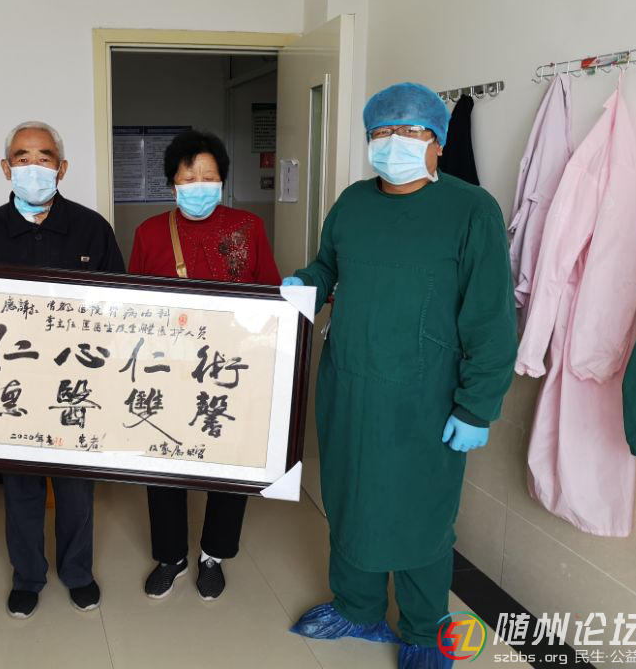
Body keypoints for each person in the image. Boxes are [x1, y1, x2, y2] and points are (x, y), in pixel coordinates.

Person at [283, 84, 517, 669]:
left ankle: (423, 631)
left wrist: (476, 406)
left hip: (425, 398)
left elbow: (491, 319)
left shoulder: (472, 211)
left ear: (438, 142)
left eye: (412, 131)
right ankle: (357, 608)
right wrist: (306, 282)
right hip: (348, 386)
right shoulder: (352, 203)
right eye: (383, 132)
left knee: (421, 518)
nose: (395, 143)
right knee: (349, 503)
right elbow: (329, 265)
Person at [0, 120, 124, 619]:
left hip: (77, 382)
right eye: (22, 157)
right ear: (6, 168)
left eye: (45, 157)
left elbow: (119, 306)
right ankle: (28, 576)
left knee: (75, 486)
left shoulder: (92, 228)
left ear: (62, 167)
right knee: (22, 487)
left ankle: (77, 573)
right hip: (14, 383)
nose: (34, 167)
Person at [128, 129, 281, 601]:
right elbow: (132, 305)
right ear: (172, 183)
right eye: (188, 177)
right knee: (163, 464)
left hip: (232, 370)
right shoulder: (149, 232)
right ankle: (171, 556)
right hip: (166, 372)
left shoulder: (248, 227)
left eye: (209, 177)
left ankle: (213, 554)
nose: (199, 186)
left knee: (229, 463)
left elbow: (271, 296)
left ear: (222, 181)